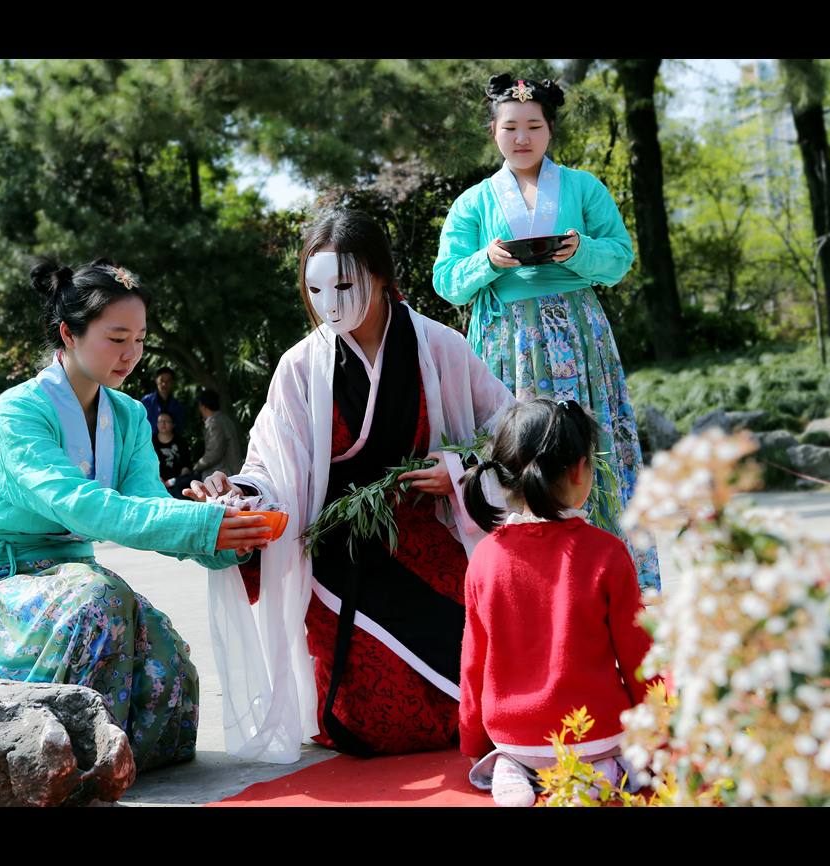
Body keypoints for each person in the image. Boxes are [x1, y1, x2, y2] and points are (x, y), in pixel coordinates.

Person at [184, 209, 514, 763]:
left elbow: (508, 427)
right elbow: (271, 466)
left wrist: (461, 470)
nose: (330, 304)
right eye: (316, 290)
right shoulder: (299, 367)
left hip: (426, 530)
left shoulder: (440, 346)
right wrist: (236, 493)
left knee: (478, 677)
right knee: (378, 724)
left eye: (344, 286)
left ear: (381, 276)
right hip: (338, 548)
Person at [0, 256, 272, 772]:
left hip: (78, 586)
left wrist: (224, 527)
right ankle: (65, 758)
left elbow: (148, 507)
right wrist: (200, 527)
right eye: (117, 338)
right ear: (69, 333)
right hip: (6, 588)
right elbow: (83, 506)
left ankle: (106, 759)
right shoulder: (17, 413)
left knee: (167, 661)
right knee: (102, 600)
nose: (131, 354)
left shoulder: (128, 414)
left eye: (139, 340)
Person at [432, 73, 660, 591]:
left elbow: (620, 258)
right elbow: (447, 280)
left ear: (550, 130)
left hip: (578, 334)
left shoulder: (584, 187)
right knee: (515, 448)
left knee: (588, 443)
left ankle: (605, 575)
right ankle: (520, 580)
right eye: (510, 127)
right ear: (493, 131)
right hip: (506, 339)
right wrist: (488, 260)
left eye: (534, 126)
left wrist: (580, 251)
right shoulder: (473, 202)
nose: (522, 137)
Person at [459, 397, 657, 806]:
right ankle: (597, 774)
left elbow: (474, 662)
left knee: (514, 754)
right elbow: (638, 656)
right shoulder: (606, 552)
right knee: (622, 761)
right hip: (594, 733)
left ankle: (510, 767)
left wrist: (473, 739)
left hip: (514, 735)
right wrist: (658, 728)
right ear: (580, 470)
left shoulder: (485, 557)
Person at [191, 389, 243, 480]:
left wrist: (196, 467)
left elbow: (214, 454)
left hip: (224, 474)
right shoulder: (225, 419)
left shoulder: (215, 424)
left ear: (203, 407)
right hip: (231, 472)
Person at [153, 411, 195, 499]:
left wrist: (175, 480)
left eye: (167, 421)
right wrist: (157, 477)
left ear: (173, 424)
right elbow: (148, 463)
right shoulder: (151, 441)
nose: (163, 424)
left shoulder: (180, 441)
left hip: (178, 481)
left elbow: (186, 465)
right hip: (156, 479)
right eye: (160, 421)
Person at [141, 366, 186, 436]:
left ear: (172, 382)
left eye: (168, 381)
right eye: (161, 380)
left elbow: (180, 429)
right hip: (149, 440)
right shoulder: (146, 401)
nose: (164, 384)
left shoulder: (178, 405)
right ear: (156, 380)